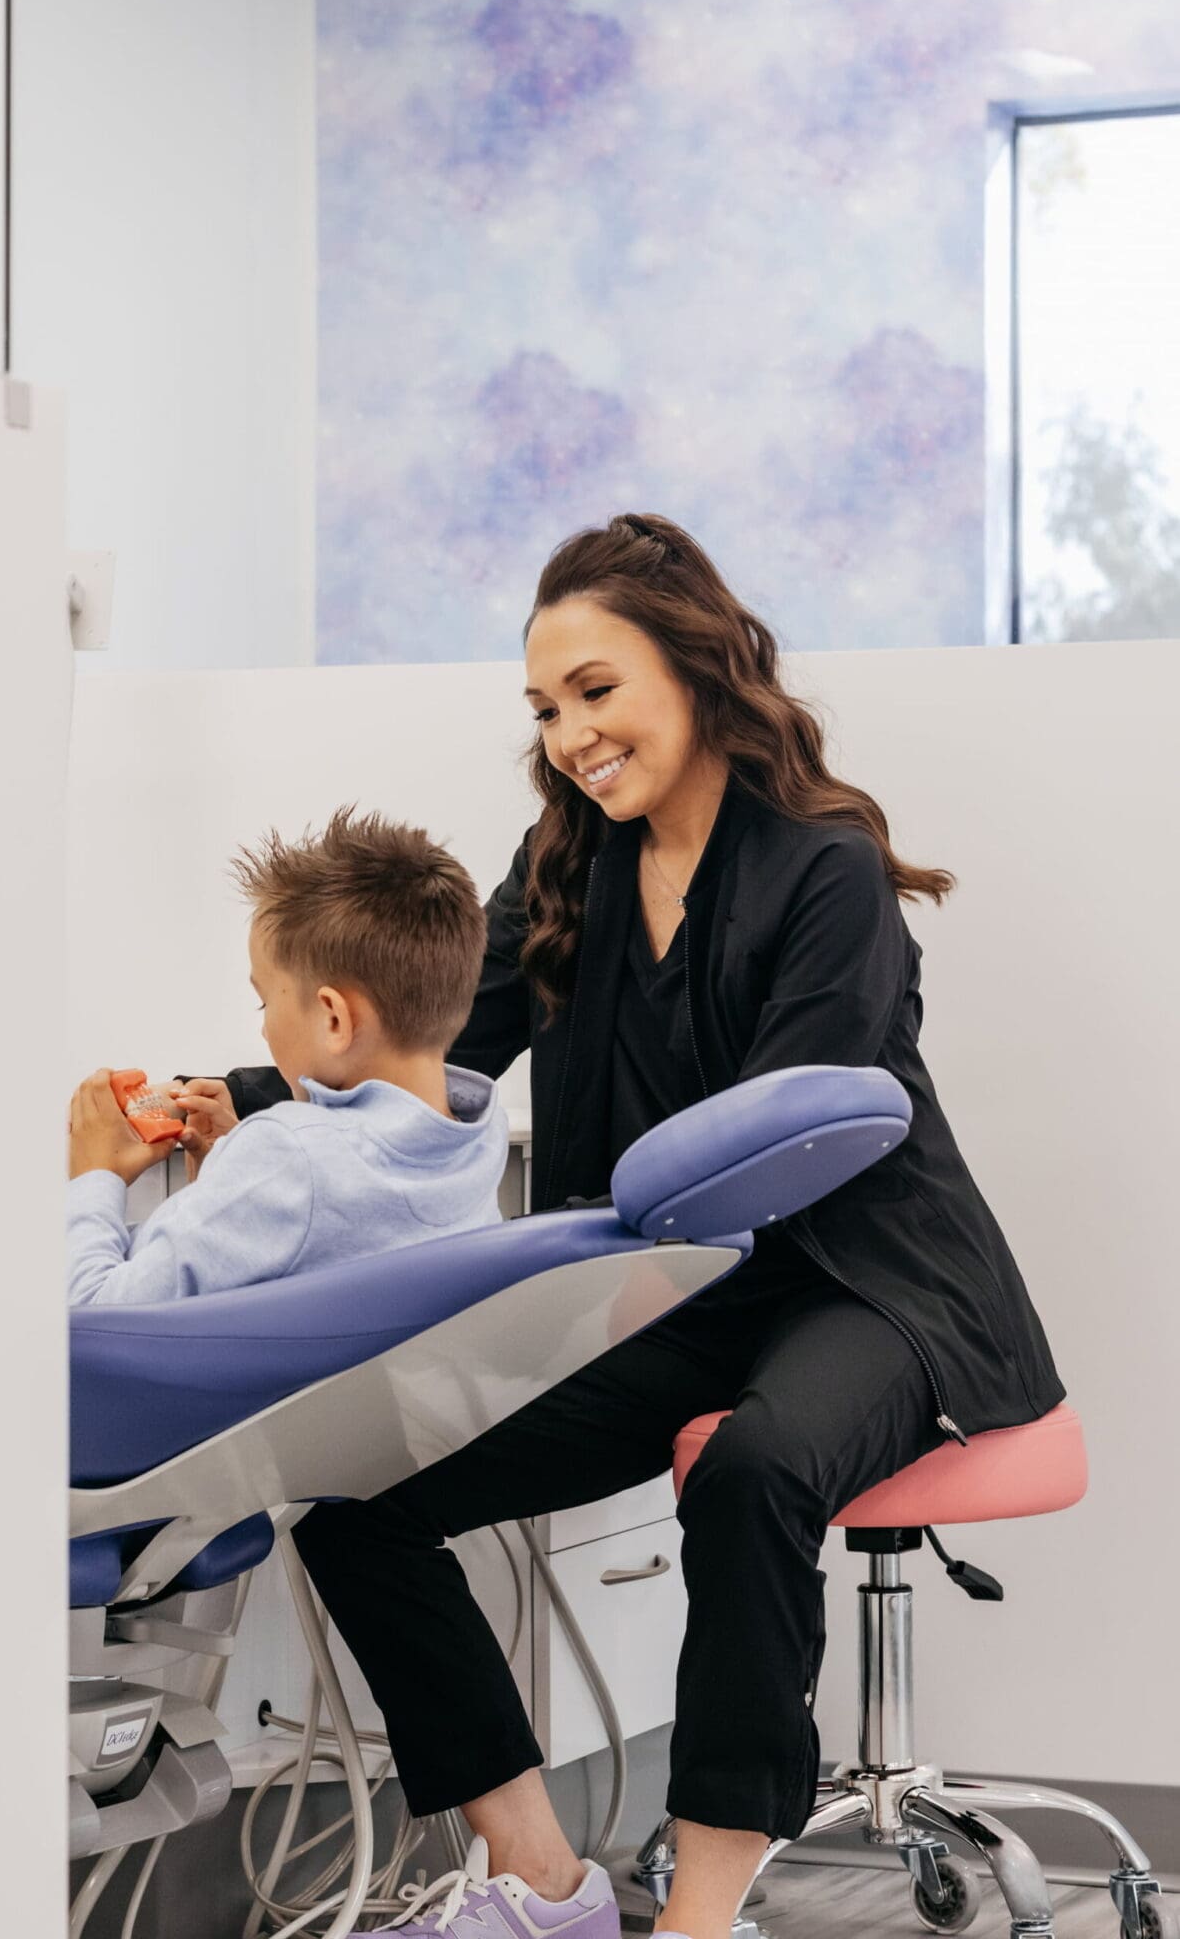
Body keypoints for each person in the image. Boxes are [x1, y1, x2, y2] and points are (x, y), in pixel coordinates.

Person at [210, 514, 1066, 1939]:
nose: (570, 737)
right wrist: (238, 1096)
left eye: (595, 691)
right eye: (546, 709)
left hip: (869, 1285)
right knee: (357, 1498)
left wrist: (582, 1275)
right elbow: (429, 1041)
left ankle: (698, 1917)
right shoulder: (564, 867)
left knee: (751, 1466)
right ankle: (545, 1886)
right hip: (684, 1297)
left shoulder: (823, 871)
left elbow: (791, 1133)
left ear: (694, 667)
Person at [65, 807, 508, 1307]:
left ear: (334, 1020)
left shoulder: (288, 1159)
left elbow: (90, 1313)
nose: (264, 1026)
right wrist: (228, 1186)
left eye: (265, 1003)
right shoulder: (478, 1134)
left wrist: (94, 1176)